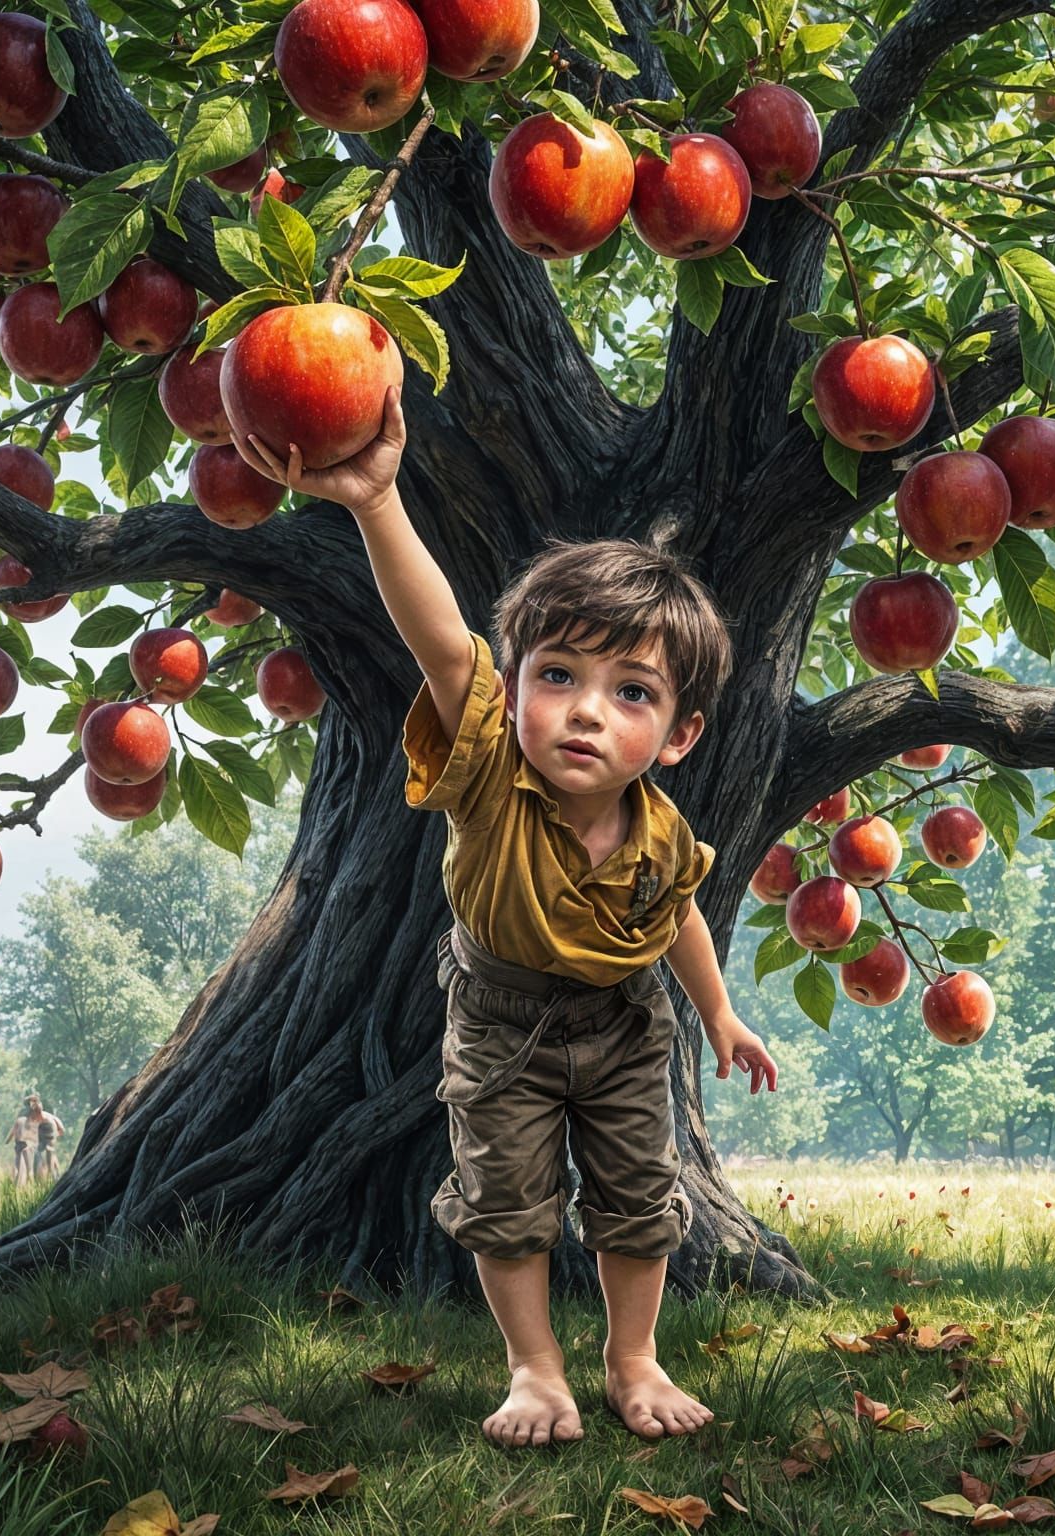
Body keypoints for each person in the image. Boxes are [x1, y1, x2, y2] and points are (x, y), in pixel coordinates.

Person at [247, 392, 779, 1451]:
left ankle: (634, 1357)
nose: (585, 709)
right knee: (507, 1199)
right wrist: (377, 502)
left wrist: (718, 1014)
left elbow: (678, 920)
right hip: (500, 1020)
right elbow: (443, 641)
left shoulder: (663, 828)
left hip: (627, 1025)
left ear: (678, 737)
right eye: (557, 676)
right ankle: (536, 1370)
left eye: (632, 692)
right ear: (515, 687)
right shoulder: (490, 768)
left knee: (640, 1193)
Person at [30, 1096, 65, 1181]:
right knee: (37, 1156)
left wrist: (54, 1137)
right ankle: (38, 1180)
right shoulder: (35, 1119)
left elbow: (62, 1130)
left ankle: (55, 1179)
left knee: (51, 1161)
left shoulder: (49, 1118)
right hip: (42, 1143)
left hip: (50, 1142)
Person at [5, 1102, 33, 1186]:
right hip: (26, 1144)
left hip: (18, 1144)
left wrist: (7, 1141)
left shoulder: (19, 1120)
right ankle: (31, 1185)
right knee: (29, 1169)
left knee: (17, 1167)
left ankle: (15, 1185)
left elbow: (12, 1133)